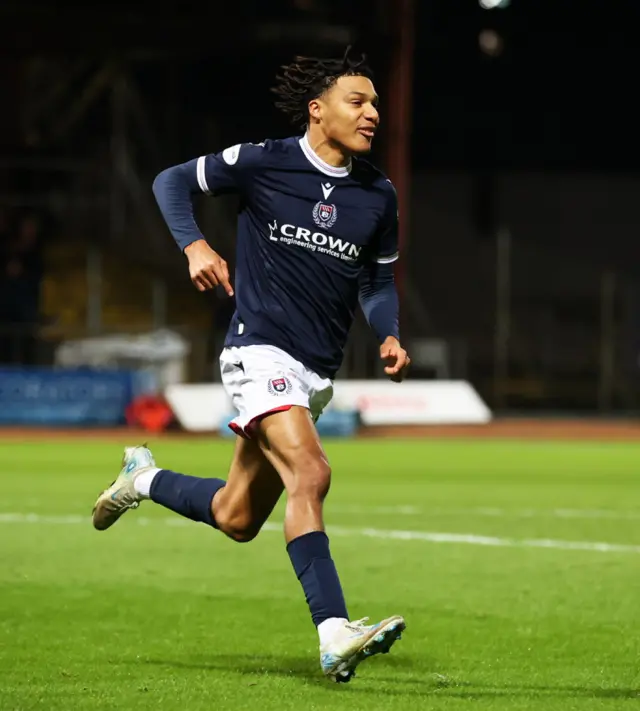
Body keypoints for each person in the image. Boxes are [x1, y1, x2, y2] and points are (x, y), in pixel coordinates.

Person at [91, 47, 411, 683]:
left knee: (238, 516)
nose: (373, 113)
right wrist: (195, 244)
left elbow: (377, 283)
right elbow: (170, 181)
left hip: (315, 371)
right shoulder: (266, 161)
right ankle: (334, 630)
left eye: (375, 102)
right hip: (258, 349)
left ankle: (142, 479)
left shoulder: (378, 196)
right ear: (318, 111)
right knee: (312, 473)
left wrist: (389, 333)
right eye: (359, 100)